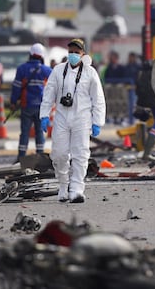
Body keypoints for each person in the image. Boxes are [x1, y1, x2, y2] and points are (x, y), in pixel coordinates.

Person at [40, 38, 105, 203]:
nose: (73, 55)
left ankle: (77, 189)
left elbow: (98, 99)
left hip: (82, 119)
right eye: (71, 52)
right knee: (59, 154)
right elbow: (48, 94)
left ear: (83, 54)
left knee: (80, 154)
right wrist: (44, 115)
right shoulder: (58, 70)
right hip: (61, 117)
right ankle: (63, 185)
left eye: (77, 52)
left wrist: (97, 121)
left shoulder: (90, 73)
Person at [10, 43, 52, 159]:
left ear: (30, 55)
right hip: (41, 107)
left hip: (26, 106)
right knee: (39, 132)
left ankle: (21, 157)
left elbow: (16, 87)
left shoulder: (22, 69)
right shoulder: (47, 71)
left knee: (25, 132)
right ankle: (40, 156)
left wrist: (13, 102)